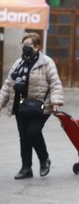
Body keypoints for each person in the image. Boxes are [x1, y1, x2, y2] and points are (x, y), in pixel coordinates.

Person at [0, 33, 64, 180]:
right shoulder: (19, 63)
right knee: (24, 136)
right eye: (24, 45)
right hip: (21, 105)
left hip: (40, 105)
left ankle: (44, 159)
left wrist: (55, 101)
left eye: (28, 45)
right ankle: (26, 168)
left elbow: (55, 83)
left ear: (37, 47)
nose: (25, 48)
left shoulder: (47, 62)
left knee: (33, 132)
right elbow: (8, 85)